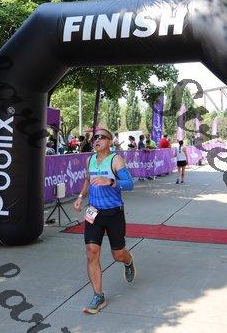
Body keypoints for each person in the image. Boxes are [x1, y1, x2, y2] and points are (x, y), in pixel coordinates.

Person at [73, 128, 136, 314]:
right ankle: (98, 296)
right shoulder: (90, 159)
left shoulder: (116, 160)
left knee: (118, 255)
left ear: (110, 141)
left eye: (101, 137)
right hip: (94, 212)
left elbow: (130, 184)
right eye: (95, 137)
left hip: (114, 213)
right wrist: (80, 196)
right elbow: (88, 179)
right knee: (92, 253)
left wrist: (110, 181)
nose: (96, 140)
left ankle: (128, 261)